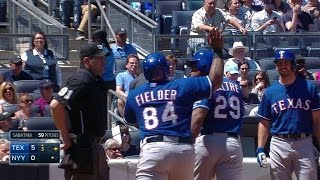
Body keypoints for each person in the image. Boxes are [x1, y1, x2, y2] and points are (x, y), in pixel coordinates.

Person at [124, 28, 224, 180]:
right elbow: (215, 80)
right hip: (182, 150)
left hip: (153, 148)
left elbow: (130, 120)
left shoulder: (134, 94)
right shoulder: (182, 85)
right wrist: (217, 50)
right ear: (166, 69)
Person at [256, 50, 320, 179]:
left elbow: (317, 121)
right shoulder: (270, 92)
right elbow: (264, 122)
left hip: (304, 141)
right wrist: (260, 148)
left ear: (293, 65)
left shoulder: (308, 87)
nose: (282, 66)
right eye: (279, 63)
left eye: (286, 62)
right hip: (279, 142)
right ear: (275, 66)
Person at [50, 42, 109, 180]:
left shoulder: (95, 80)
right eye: (99, 58)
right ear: (87, 61)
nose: (103, 61)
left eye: (103, 58)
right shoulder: (80, 79)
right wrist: (65, 136)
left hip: (94, 147)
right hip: (82, 151)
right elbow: (55, 105)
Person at [192, 51, 245, 180]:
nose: (192, 70)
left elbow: (198, 116)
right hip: (233, 142)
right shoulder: (236, 86)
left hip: (208, 141)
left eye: (195, 66)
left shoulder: (207, 85)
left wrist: (188, 141)